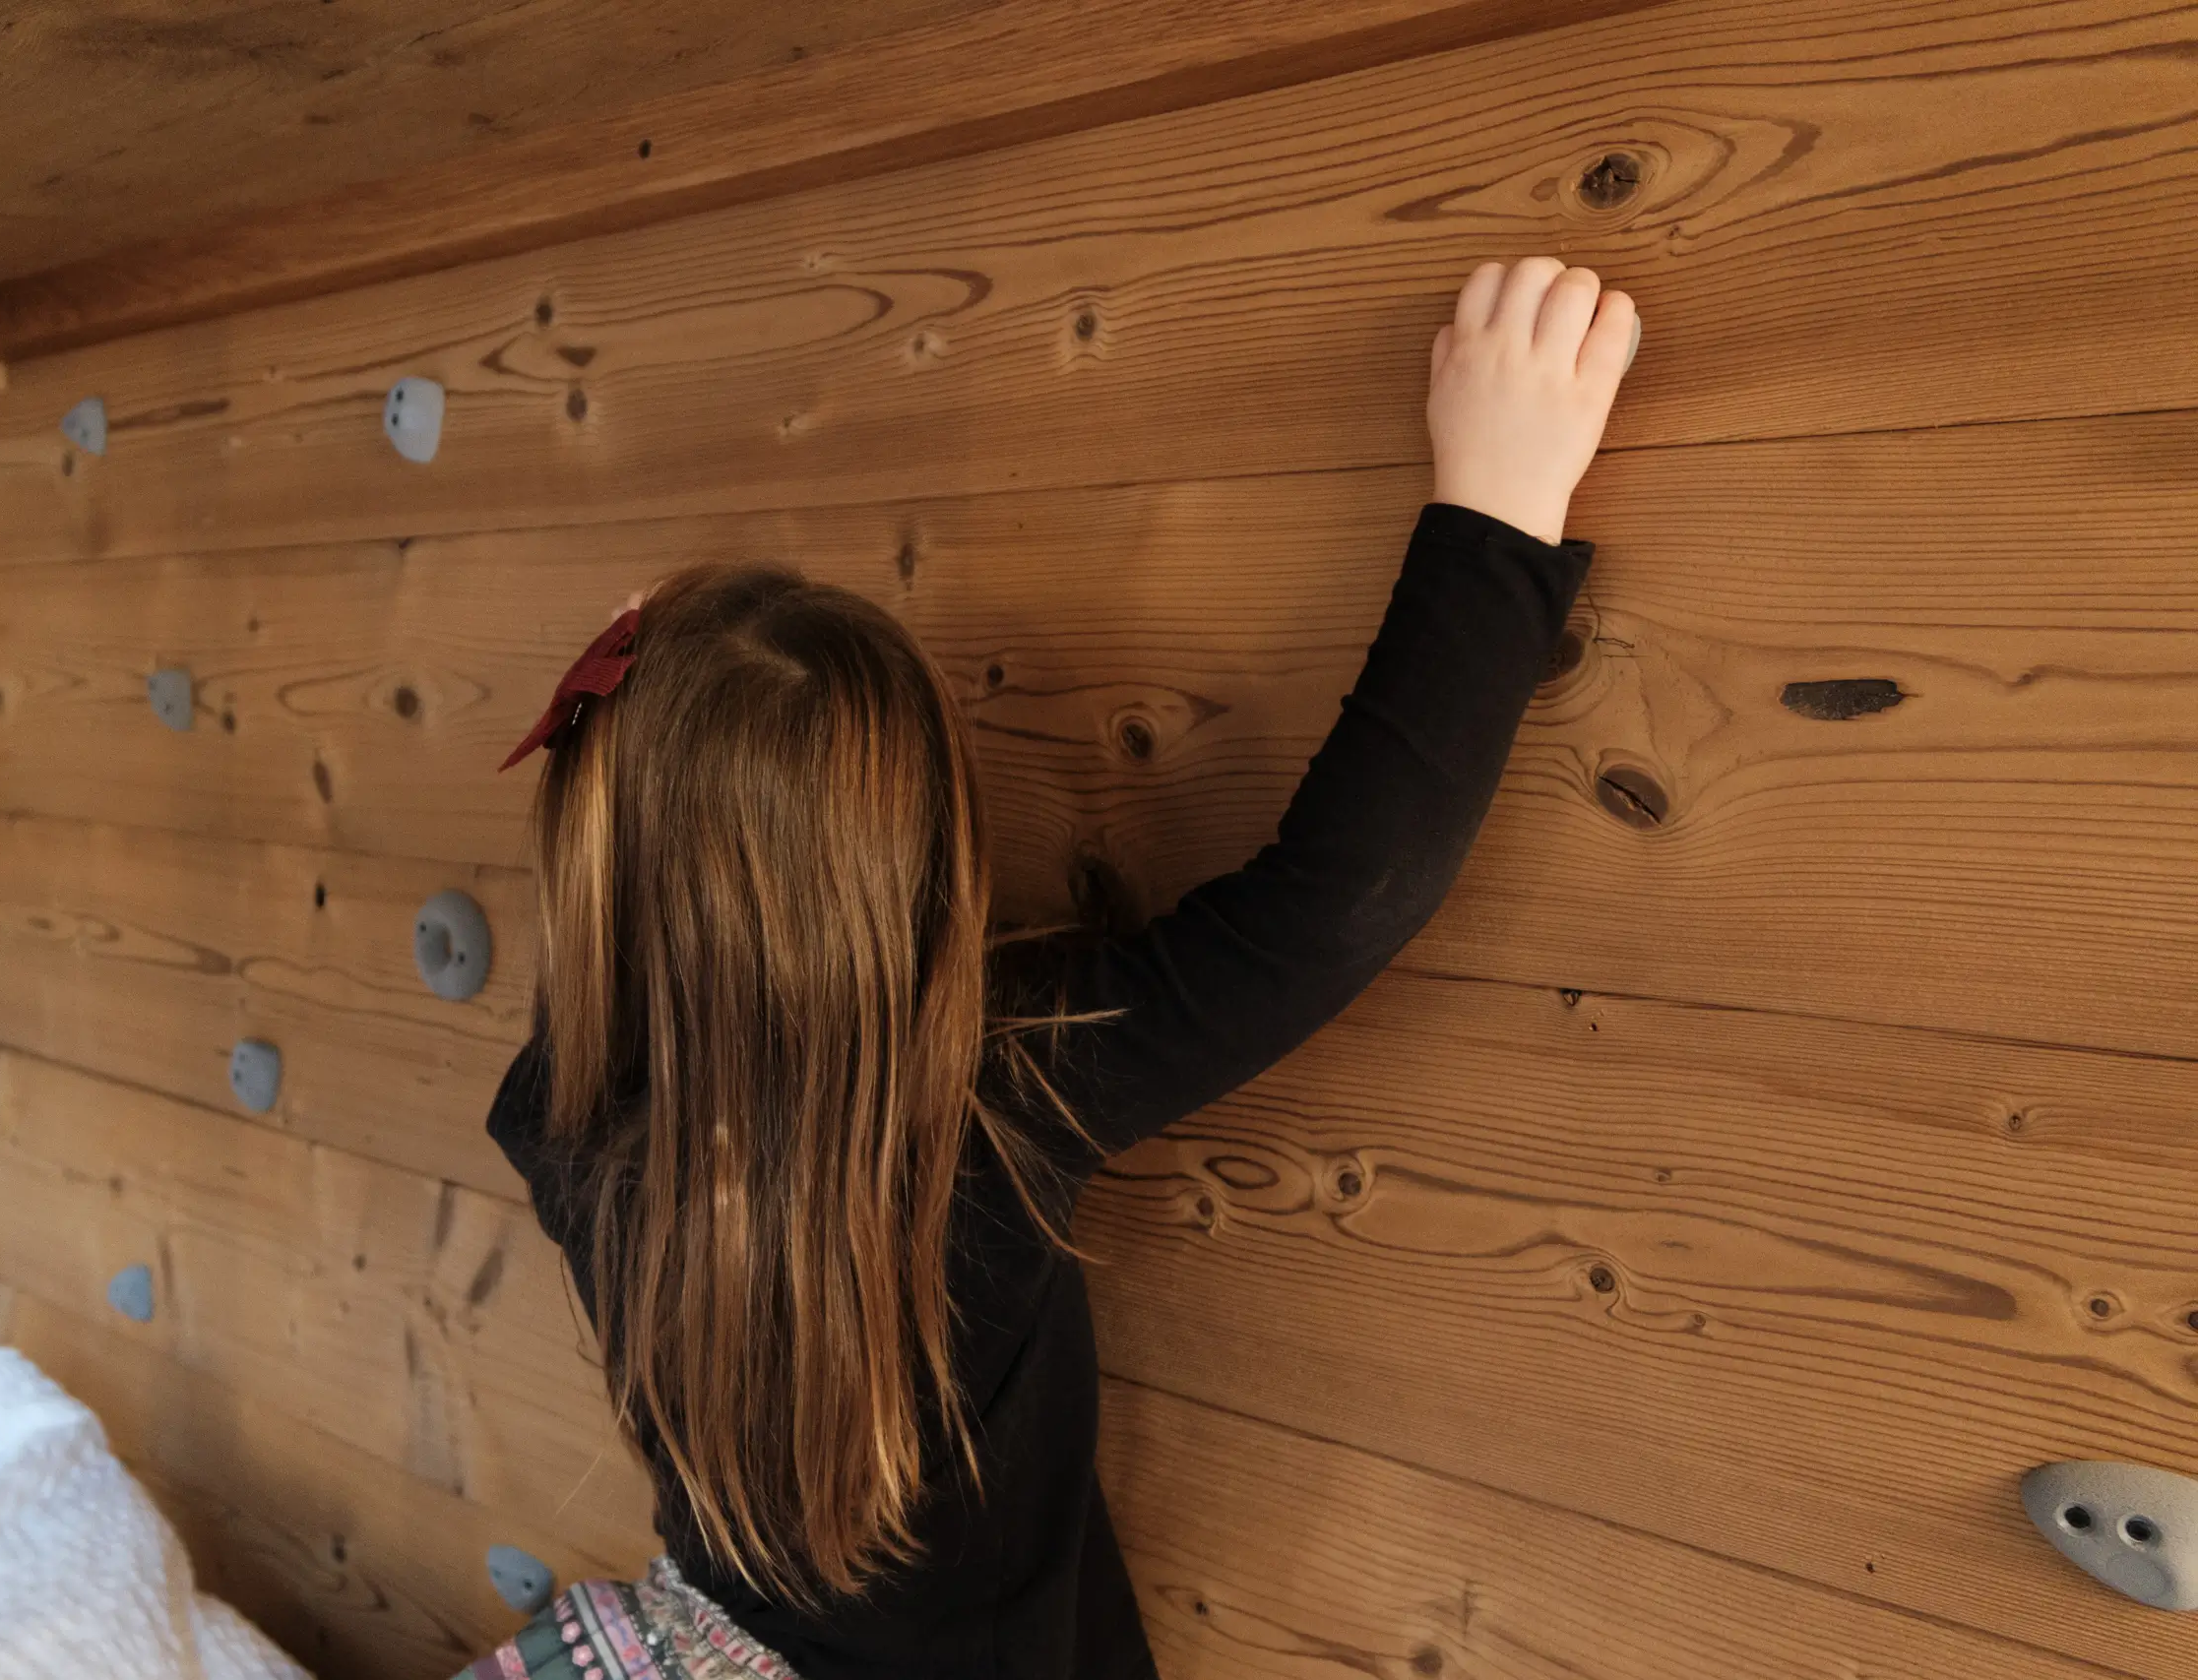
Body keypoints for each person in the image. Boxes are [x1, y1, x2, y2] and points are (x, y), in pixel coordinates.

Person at [475, 257, 1640, 1680]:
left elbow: (617, 935)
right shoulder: (991, 1093)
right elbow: (1327, 908)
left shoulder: (560, 1118)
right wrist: (1495, 513)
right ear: (920, 839)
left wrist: (653, 728)